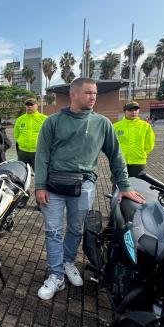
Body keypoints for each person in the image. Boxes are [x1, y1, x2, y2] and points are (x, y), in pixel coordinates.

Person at [34, 77, 146, 300]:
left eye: (95, 93)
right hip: (53, 185)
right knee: (53, 231)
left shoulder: (102, 123)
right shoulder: (53, 121)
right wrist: (40, 186)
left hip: (84, 185)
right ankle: (56, 275)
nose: (93, 97)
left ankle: (68, 262)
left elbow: (116, 156)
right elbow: (42, 155)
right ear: (73, 95)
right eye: (88, 93)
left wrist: (124, 186)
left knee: (76, 229)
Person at [113, 101, 156, 178]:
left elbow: (149, 144)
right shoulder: (116, 126)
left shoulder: (145, 126)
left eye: (136, 110)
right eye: (130, 110)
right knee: (118, 185)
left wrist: (143, 153)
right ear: (125, 111)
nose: (133, 112)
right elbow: (111, 144)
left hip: (138, 162)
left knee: (136, 186)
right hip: (120, 162)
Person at [14, 98, 47, 172]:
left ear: (37, 106)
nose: (29, 107)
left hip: (38, 152)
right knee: (22, 174)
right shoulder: (20, 119)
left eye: (31, 105)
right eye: (27, 105)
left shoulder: (44, 119)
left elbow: (50, 135)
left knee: (40, 174)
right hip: (23, 153)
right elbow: (16, 135)